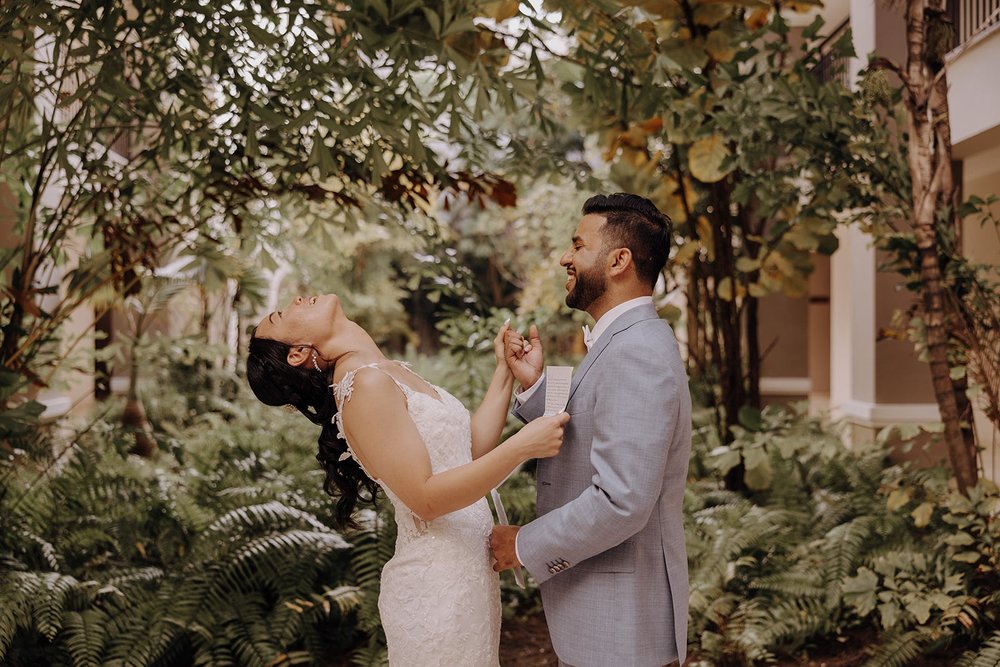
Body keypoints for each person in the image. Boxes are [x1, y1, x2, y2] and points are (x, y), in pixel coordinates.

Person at [246, 293, 570, 666]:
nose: (297, 299)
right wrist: (521, 447)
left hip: (468, 577)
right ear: (297, 353)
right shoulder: (364, 385)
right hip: (435, 589)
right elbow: (425, 499)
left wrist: (503, 371)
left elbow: (466, 456)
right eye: (282, 313)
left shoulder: (383, 371)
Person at [490, 193, 692, 667]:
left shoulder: (636, 351)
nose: (565, 257)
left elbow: (622, 500)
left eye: (577, 246)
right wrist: (537, 387)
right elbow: (598, 428)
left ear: (619, 260)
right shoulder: (626, 341)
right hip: (605, 619)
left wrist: (522, 544)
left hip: (622, 630)